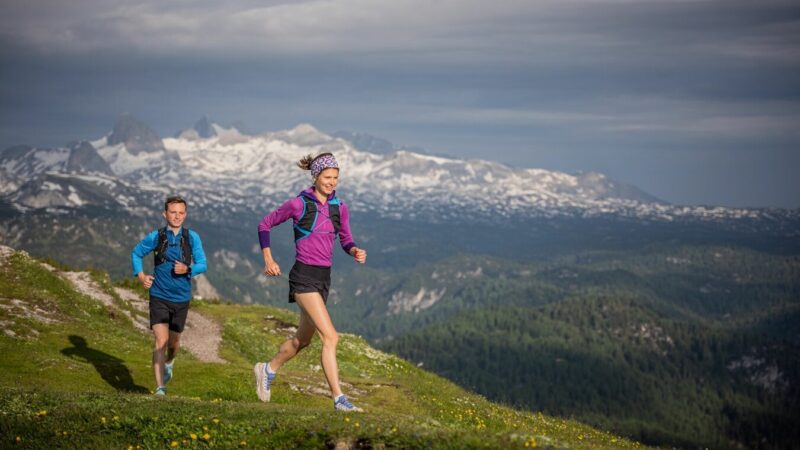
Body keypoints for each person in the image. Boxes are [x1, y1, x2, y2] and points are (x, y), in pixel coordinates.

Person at [254, 152, 367, 412]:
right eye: (327, 177)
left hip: (323, 278)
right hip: (303, 276)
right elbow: (264, 225)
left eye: (335, 178)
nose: (332, 182)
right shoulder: (298, 204)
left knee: (301, 341)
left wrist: (354, 251)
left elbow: (346, 240)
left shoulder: (340, 207)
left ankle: (267, 369)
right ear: (315, 176)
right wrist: (268, 260)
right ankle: (339, 399)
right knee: (331, 337)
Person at [131, 196, 207, 396]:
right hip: (158, 296)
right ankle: (160, 389)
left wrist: (188, 269)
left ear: (185, 215)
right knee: (160, 341)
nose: (177, 216)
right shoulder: (156, 237)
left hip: (181, 299)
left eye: (181, 213)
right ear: (165, 214)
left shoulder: (192, 238)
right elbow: (136, 253)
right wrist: (141, 276)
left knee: (173, 345)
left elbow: (203, 264)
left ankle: (170, 361)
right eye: (173, 212)